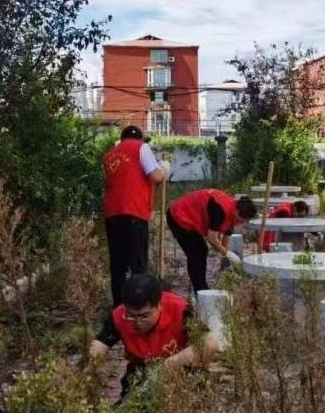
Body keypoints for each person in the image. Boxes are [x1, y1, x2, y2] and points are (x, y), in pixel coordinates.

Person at [89, 273, 218, 396]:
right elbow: (98, 347)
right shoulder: (119, 316)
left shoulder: (180, 310)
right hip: (141, 372)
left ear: (159, 306)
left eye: (144, 316)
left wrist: (167, 366)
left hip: (179, 371)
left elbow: (210, 342)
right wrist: (86, 374)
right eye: (132, 316)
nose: (138, 322)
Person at [102, 125, 170, 306]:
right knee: (137, 264)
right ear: (140, 138)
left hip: (112, 215)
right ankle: (139, 306)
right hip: (134, 213)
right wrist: (164, 168)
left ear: (121, 138)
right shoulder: (141, 147)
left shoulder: (110, 155)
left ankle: (119, 307)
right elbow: (155, 176)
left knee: (118, 265)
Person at [166, 188, 257, 293]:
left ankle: (200, 287)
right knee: (198, 252)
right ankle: (200, 290)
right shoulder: (220, 209)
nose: (240, 223)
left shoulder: (233, 210)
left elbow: (227, 234)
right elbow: (212, 239)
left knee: (200, 251)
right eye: (241, 220)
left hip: (192, 217)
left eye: (243, 222)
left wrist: (226, 253)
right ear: (237, 211)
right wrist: (228, 254)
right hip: (179, 216)